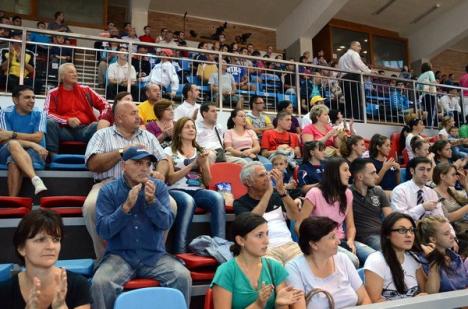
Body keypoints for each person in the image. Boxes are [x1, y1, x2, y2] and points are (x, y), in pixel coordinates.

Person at [91, 147, 191, 308]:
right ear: (124, 165)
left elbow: (166, 223)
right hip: (120, 255)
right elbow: (103, 230)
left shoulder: (158, 188)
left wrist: (152, 202)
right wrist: (125, 207)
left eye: (148, 164)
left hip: (154, 255)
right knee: (100, 283)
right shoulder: (108, 190)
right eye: (138, 163)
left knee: (182, 276)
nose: (144, 168)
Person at [83, 99, 168, 260]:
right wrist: (122, 151)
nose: (139, 116)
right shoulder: (102, 134)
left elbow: (163, 159)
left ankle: (155, 254)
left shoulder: (148, 136)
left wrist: (160, 173)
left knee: (171, 205)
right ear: (119, 118)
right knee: (91, 206)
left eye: (138, 112)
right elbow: (93, 164)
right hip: (108, 185)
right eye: (133, 113)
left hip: (144, 184)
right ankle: (105, 258)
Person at [0, 209, 90, 309]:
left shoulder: (78, 285)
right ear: (21, 248)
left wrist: (61, 307)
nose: (51, 246)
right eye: (41, 239)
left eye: (56, 239)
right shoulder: (4, 291)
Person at [211, 212, 303, 309]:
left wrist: (280, 305)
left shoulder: (275, 267)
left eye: (267, 234)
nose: (267, 241)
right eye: (259, 235)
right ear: (240, 240)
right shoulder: (225, 272)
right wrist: (258, 304)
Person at [298, 157, 376, 266]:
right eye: (345, 170)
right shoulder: (314, 193)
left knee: (375, 258)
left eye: (349, 170)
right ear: (333, 173)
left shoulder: (347, 193)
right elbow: (299, 226)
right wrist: (317, 243)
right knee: (353, 261)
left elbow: (350, 226)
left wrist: (350, 241)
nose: (349, 174)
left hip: (342, 241)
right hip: (322, 243)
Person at [164, 117, 225, 253]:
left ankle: (220, 248)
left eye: (193, 127)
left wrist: (203, 164)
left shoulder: (201, 151)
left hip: (197, 190)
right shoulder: (169, 151)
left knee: (217, 198)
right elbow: (170, 179)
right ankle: (179, 251)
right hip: (176, 190)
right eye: (187, 127)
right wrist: (192, 165)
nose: (191, 129)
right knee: (188, 201)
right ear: (179, 132)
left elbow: (208, 182)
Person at [286, 217, 371, 308]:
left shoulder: (343, 258)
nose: (338, 241)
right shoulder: (294, 268)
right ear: (314, 244)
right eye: (332, 237)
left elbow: (365, 299)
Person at [234, 162, 302, 264]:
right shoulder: (240, 203)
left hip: (289, 246)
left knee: (307, 266)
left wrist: (282, 191)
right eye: (261, 175)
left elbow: (295, 215)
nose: (267, 177)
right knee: (275, 272)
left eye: (266, 173)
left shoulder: (277, 195)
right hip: (264, 249)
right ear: (248, 182)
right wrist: (268, 192)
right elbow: (252, 223)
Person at [44, 63, 111, 154]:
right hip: (64, 130)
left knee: (100, 125)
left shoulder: (86, 90)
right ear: (62, 76)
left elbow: (106, 105)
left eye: (76, 72)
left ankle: (96, 157)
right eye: (71, 72)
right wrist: (67, 120)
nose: (75, 74)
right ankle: (51, 156)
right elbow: (47, 114)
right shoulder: (52, 93)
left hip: (85, 129)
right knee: (49, 123)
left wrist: (103, 119)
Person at [364, 212, 426, 302]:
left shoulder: (413, 258)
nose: (409, 235)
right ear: (387, 234)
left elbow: (426, 291)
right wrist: (411, 304)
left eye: (411, 230)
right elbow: (374, 303)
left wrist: (434, 262)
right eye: (402, 230)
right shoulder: (376, 261)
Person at [0, 86, 48, 196]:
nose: (32, 101)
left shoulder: (40, 113)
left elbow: (38, 137)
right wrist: (32, 143)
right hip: (10, 149)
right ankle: (35, 178)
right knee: (12, 144)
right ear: (15, 100)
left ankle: (12, 202)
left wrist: (12, 134)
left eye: (33, 97)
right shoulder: (4, 113)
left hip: (34, 153)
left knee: (13, 159)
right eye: (27, 97)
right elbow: (4, 139)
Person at [415, 216, 468, 292]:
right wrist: (434, 261)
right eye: (446, 234)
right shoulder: (423, 261)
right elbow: (431, 293)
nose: (452, 236)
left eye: (450, 231)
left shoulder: (455, 257)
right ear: (433, 239)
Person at [350, 158, 392, 251]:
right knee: (388, 249)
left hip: (382, 233)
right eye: (372, 173)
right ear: (360, 177)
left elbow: (390, 218)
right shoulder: (348, 193)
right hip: (364, 236)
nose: (377, 177)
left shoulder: (378, 191)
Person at [391, 157, 447, 221]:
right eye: (421, 169)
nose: (425, 174)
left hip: (430, 229)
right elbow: (400, 219)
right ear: (412, 171)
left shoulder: (432, 193)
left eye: (428, 170)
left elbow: (440, 219)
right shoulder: (400, 190)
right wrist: (422, 207)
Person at [432, 163, 468, 249]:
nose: (456, 177)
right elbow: (448, 217)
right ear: (442, 176)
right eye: (453, 175)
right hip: (459, 231)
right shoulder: (434, 194)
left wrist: (465, 184)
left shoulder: (451, 190)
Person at [338, 41, 372, 120]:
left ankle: (351, 118)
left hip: (344, 79)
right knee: (356, 99)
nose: (360, 48)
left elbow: (339, 70)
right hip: (353, 77)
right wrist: (369, 71)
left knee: (348, 100)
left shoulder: (342, 57)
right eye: (358, 46)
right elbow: (359, 64)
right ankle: (357, 118)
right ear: (352, 46)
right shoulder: (354, 54)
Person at [417, 62, 438, 128]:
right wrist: (437, 83)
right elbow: (433, 82)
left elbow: (418, 88)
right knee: (431, 112)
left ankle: (425, 125)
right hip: (431, 94)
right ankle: (430, 126)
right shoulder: (430, 72)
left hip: (423, 96)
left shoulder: (420, 76)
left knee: (426, 112)